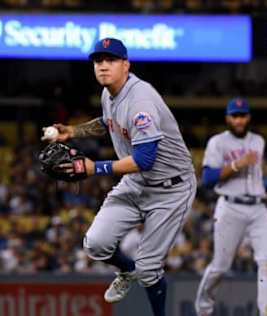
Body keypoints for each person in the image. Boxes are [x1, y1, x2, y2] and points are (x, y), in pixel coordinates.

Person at [44, 38, 196, 316]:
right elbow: (107, 122)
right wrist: (74, 131)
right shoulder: (110, 94)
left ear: (126, 65)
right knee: (96, 244)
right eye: (98, 61)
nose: (103, 66)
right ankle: (127, 271)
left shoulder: (141, 102)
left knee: (149, 269)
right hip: (137, 183)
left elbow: (144, 160)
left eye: (111, 60)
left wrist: (94, 168)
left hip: (170, 189)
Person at [195, 98, 267, 316]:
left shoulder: (258, 141)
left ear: (249, 117)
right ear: (227, 118)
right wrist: (236, 164)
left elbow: (257, 177)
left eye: (242, 115)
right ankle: (203, 309)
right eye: (235, 116)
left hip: (258, 208)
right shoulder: (218, 143)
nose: (239, 120)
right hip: (230, 207)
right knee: (220, 267)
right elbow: (208, 178)